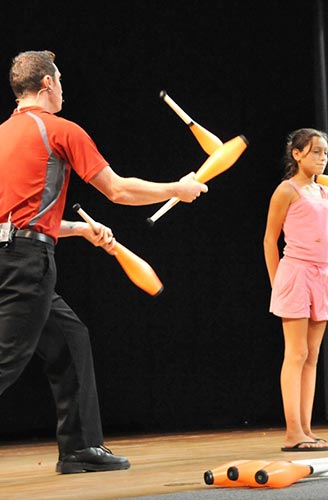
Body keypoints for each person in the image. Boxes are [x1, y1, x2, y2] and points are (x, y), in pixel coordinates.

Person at [0, 50, 208, 473]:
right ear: (46, 85)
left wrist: (78, 231)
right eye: (60, 80)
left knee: (69, 337)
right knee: (6, 357)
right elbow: (117, 190)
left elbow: (16, 218)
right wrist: (177, 188)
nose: (63, 88)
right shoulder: (60, 130)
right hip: (26, 262)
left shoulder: (3, 134)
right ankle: (79, 447)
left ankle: (79, 447)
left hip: (13, 253)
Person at [263, 128, 328, 451]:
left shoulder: (325, 194)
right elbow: (270, 239)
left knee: (312, 355)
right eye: (315, 152)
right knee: (295, 354)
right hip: (295, 274)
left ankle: (306, 430)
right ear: (297, 154)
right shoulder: (286, 190)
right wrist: (277, 282)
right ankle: (293, 432)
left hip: (322, 275)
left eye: (325, 153)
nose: (322, 158)